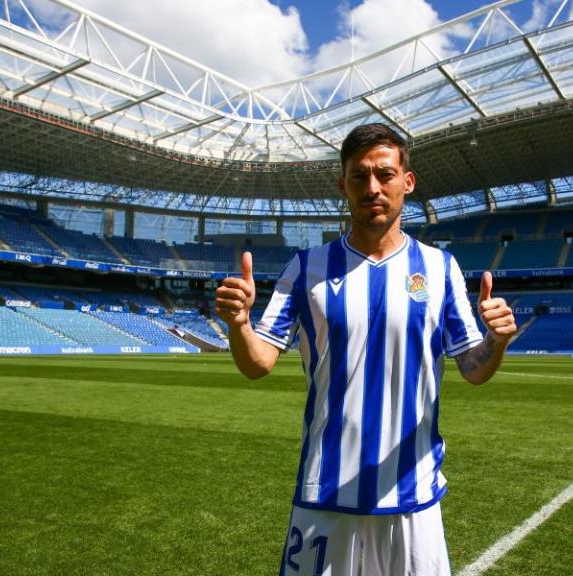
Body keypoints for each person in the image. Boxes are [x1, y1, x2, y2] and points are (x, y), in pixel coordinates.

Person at [215, 123, 516, 575]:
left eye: (384, 174)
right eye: (359, 176)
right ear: (343, 185)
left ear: (406, 182)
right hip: (325, 493)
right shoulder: (306, 269)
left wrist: (497, 341)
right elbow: (259, 362)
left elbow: (474, 367)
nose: (372, 187)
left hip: (413, 498)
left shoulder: (440, 269)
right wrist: (239, 325)